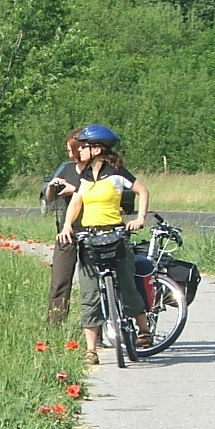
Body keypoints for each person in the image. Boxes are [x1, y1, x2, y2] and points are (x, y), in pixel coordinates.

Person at [55, 124, 152, 365]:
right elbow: (76, 201)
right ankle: (91, 350)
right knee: (89, 293)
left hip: (115, 235)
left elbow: (142, 191)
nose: (80, 151)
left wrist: (139, 218)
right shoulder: (85, 176)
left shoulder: (117, 173)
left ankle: (143, 330)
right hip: (89, 237)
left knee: (128, 286)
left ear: (97, 149)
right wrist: (68, 226)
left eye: (84, 147)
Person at [43, 128, 85, 327]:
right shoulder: (66, 169)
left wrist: (75, 190)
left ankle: (96, 330)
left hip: (90, 229)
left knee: (93, 284)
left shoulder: (96, 171)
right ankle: (55, 325)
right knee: (60, 280)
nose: (69, 154)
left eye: (71, 149)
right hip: (66, 232)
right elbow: (50, 198)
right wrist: (52, 187)